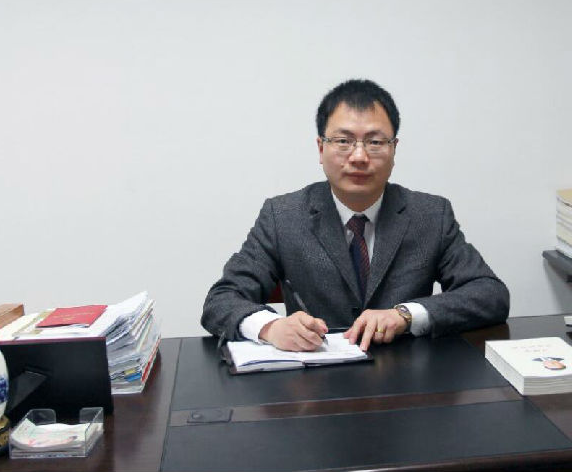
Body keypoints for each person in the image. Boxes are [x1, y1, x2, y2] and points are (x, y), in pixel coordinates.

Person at [201, 79, 509, 351]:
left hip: (407, 379)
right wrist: (270, 327)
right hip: (314, 382)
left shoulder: (430, 215)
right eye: (343, 141)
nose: (359, 156)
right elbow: (221, 300)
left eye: (374, 142)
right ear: (321, 148)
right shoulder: (283, 216)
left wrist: (405, 315)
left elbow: (490, 294)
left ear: (394, 149)